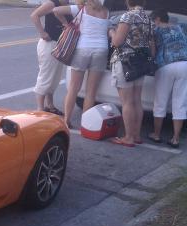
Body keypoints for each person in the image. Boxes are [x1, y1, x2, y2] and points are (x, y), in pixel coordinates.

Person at [54, 0, 110, 129]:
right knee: (91, 92)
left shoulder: (81, 8)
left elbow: (56, 11)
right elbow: (107, 31)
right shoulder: (106, 12)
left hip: (83, 49)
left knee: (74, 88)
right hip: (101, 50)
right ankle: (86, 123)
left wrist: (65, 23)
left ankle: (67, 120)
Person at [108, 0, 155, 147]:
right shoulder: (148, 19)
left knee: (127, 102)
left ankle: (128, 137)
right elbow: (152, 45)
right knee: (136, 100)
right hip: (140, 63)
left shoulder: (128, 16)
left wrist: (111, 32)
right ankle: (136, 135)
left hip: (125, 62)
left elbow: (117, 41)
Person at [148, 9, 187, 148]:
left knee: (161, 100)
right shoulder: (180, 27)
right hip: (184, 64)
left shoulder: (155, 31)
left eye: (153, 20)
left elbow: (152, 52)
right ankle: (175, 139)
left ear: (158, 18)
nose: (153, 23)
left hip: (165, 65)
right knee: (180, 102)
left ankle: (156, 134)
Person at [31, 0, 71, 115]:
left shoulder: (67, 5)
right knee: (46, 75)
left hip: (60, 45)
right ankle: (40, 108)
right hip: (49, 44)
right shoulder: (52, 3)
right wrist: (42, 33)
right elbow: (34, 15)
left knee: (55, 77)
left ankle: (50, 105)